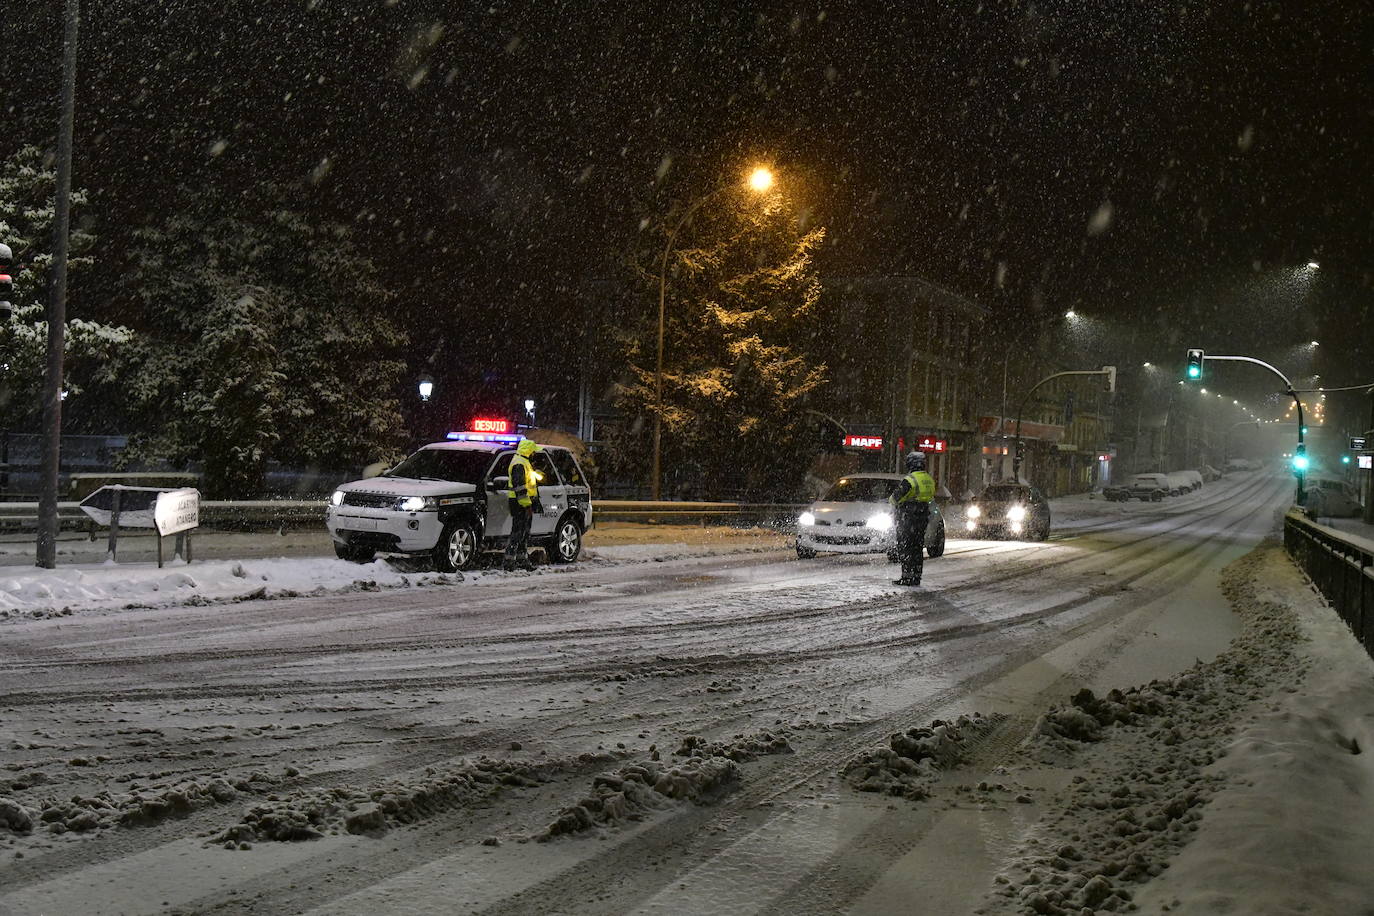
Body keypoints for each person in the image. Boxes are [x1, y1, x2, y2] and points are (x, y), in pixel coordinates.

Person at [889, 451, 936, 586]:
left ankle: (907, 577)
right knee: (917, 549)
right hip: (922, 517)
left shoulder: (910, 480)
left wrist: (894, 501)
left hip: (909, 517)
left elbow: (895, 498)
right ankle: (916, 577)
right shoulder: (928, 479)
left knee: (907, 548)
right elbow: (930, 495)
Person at [504, 438, 543, 571]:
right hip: (520, 503)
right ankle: (509, 561)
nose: (534, 454)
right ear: (528, 450)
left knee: (523, 533)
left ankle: (521, 559)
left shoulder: (523, 462)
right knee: (518, 532)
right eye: (533, 451)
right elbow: (519, 487)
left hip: (523, 502)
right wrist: (527, 505)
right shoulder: (519, 463)